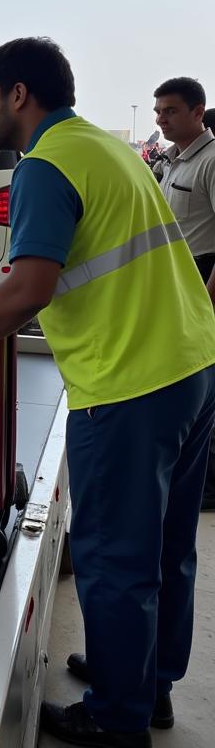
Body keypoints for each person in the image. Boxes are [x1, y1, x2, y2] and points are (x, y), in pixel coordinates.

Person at [0, 38, 215, 748]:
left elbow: (27, 292)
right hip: (192, 363)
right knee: (166, 548)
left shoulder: (42, 166)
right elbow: (47, 260)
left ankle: (117, 717)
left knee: (114, 557)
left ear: (19, 96)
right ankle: (146, 684)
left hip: (129, 382)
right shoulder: (105, 147)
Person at [153, 78, 215, 513]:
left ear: (198, 112)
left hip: (203, 281)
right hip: (177, 283)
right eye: (158, 111)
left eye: (171, 111)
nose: (160, 119)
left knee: (205, 387)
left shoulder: (211, 161)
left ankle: (208, 485)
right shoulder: (171, 161)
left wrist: (207, 302)